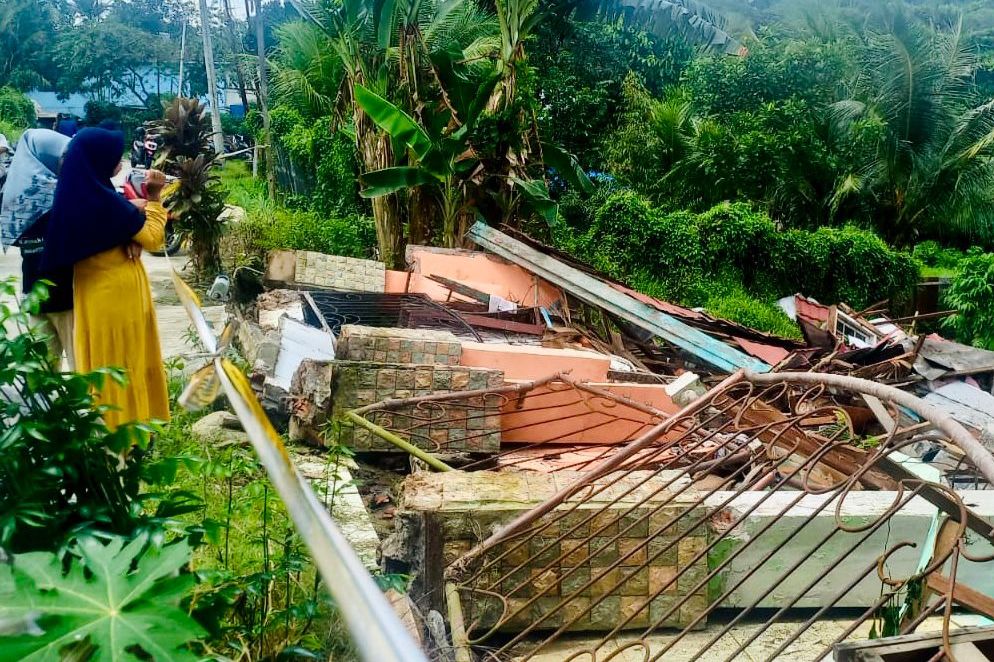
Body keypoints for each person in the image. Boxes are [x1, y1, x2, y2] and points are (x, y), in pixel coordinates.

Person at [42, 128, 170, 429]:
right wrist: (153, 198)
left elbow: (115, 223)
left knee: (102, 366)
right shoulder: (106, 204)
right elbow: (153, 239)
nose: (120, 162)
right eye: (115, 156)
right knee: (125, 360)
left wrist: (128, 230)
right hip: (118, 297)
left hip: (91, 296)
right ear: (98, 160)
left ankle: (108, 435)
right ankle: (128, 434)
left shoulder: (76, 198)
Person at [0, 129, 74, 368]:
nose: (66, 161)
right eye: (62, 156)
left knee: (42, 374)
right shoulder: (63, 195)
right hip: (66, 296)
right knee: (83, 371)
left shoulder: (15, 193)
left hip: (33, 292)